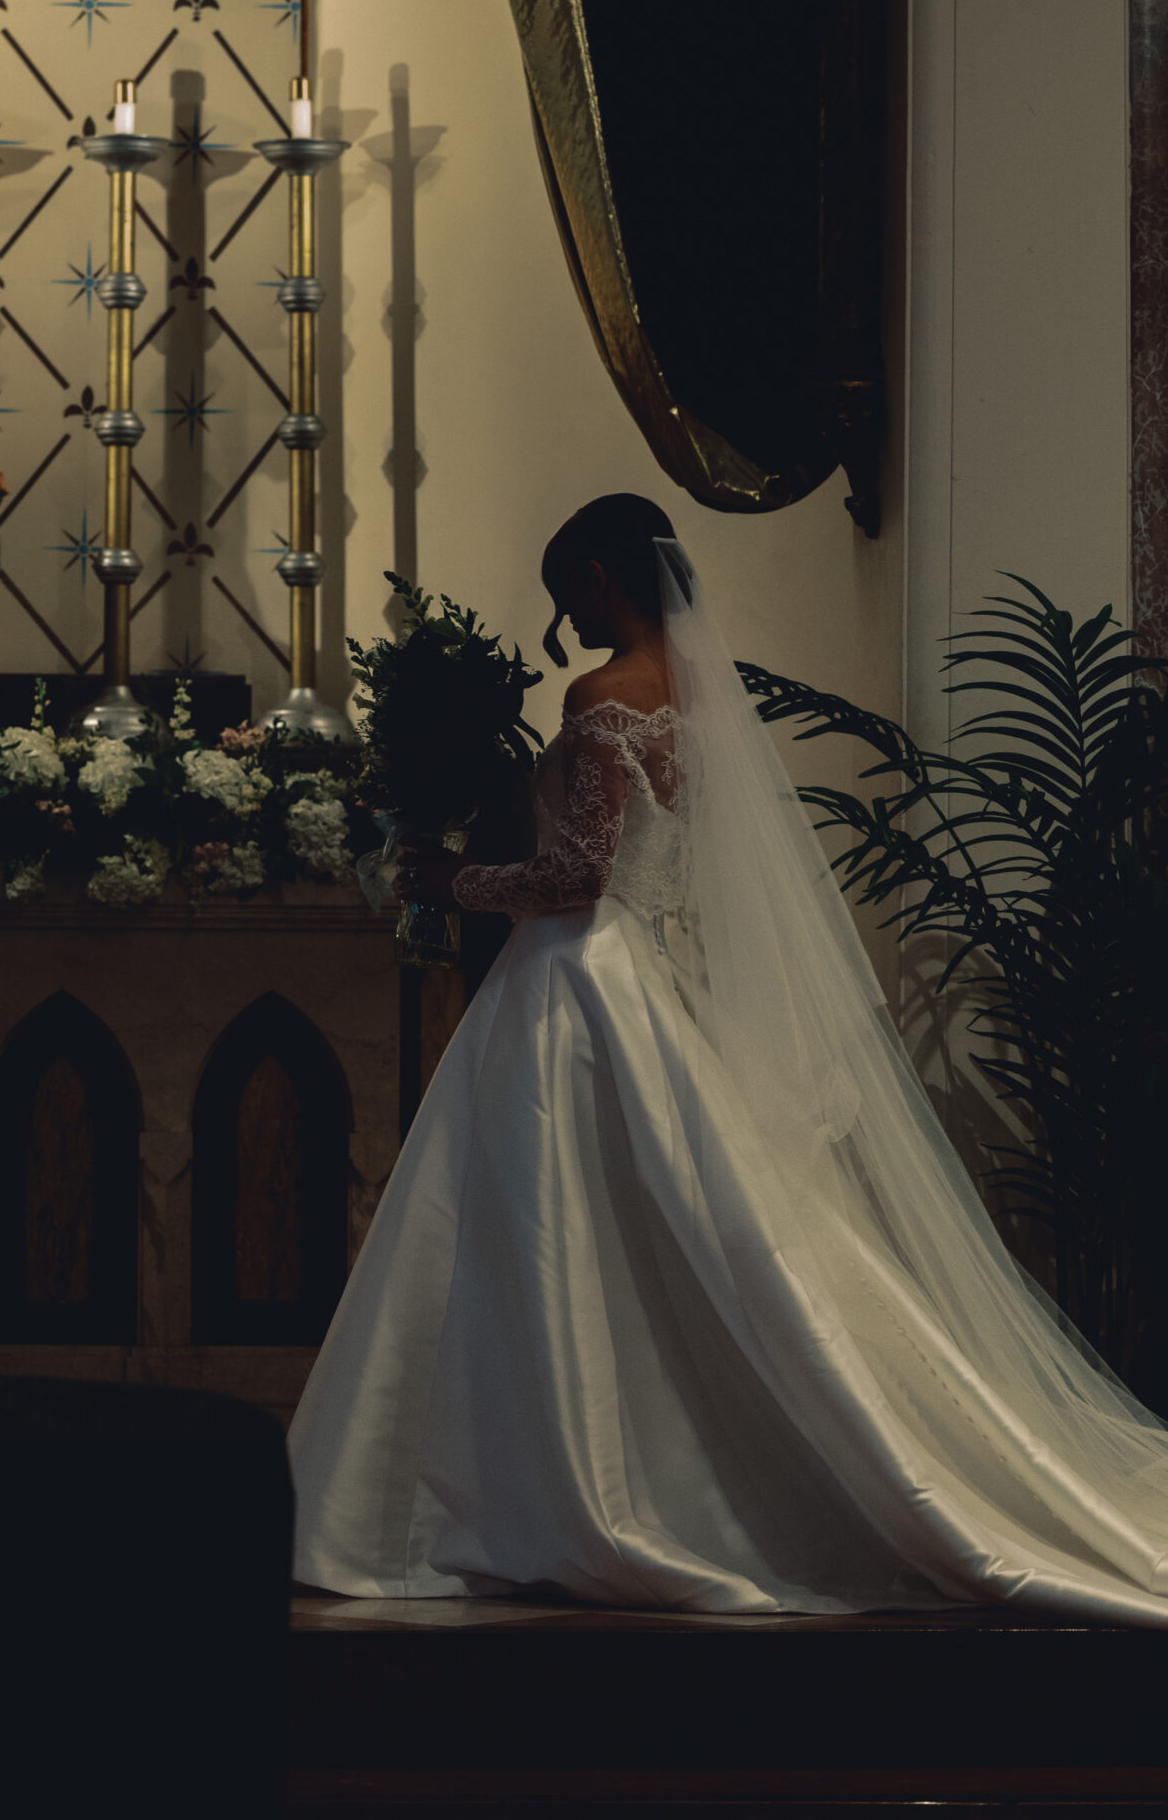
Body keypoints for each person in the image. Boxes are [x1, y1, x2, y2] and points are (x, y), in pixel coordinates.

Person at [288, 493, 1168, 1620]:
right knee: (649, 1239)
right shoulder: (704, 697)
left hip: (573, 987)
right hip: (644, 978)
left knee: (538, 1233)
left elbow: (578, 879)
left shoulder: (602, 698)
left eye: (574, 590)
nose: (567, 614)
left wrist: (442, 878)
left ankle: (542, 1497)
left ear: (608, 575)